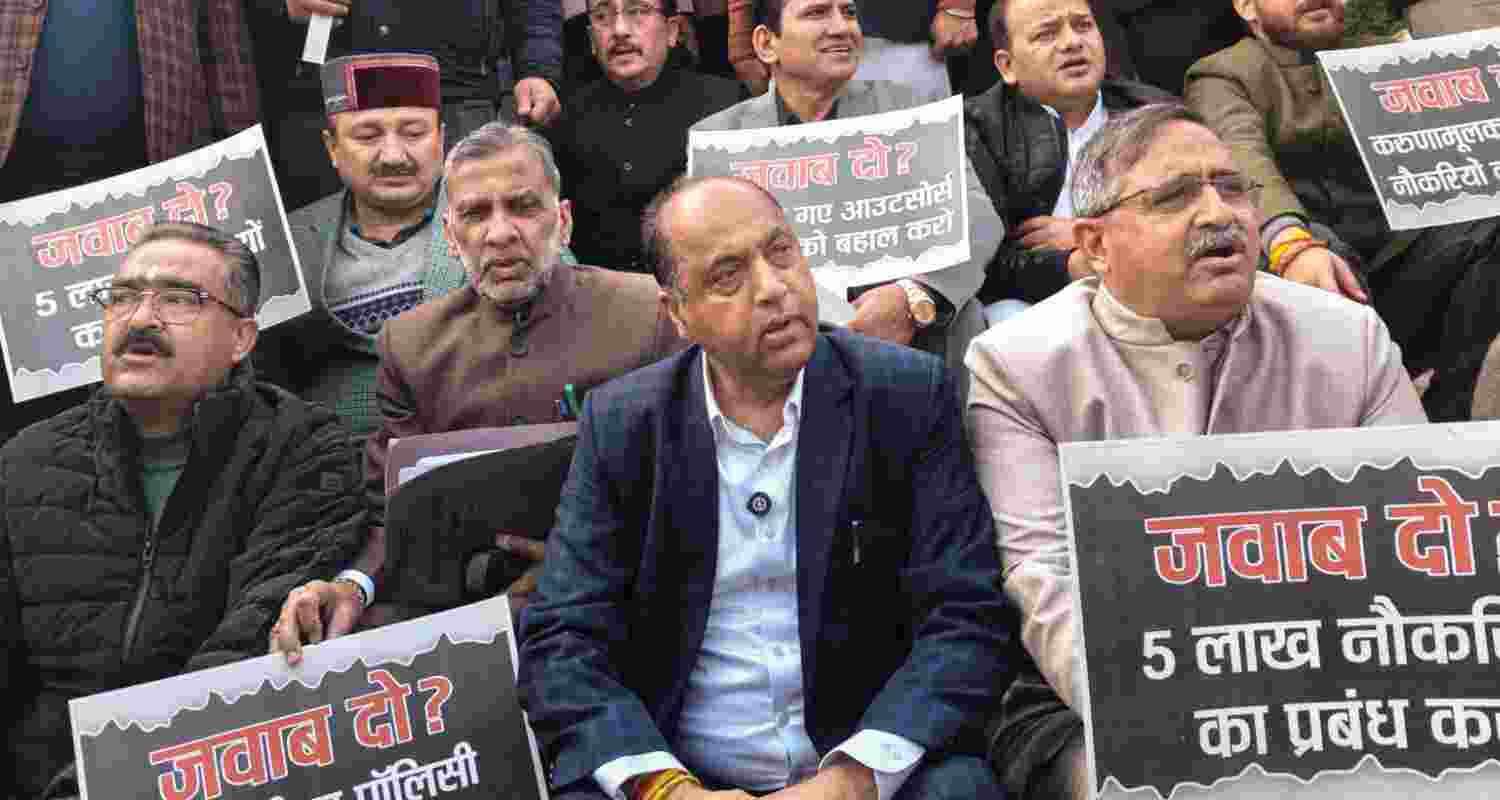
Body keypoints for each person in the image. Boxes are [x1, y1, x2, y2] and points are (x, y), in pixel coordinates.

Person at [964, 103, 1426, 800]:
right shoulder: (1017, 366)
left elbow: (1427, 546)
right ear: (1093, 246)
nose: (1220, 213)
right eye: (1175, 196)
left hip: (1343, 667)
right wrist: (1199, 723)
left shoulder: (1349, 338)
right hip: (1098, 686)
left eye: (1232, 187)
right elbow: (1045, 581)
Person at [519, 175, 1013, 800]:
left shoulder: (907, 395)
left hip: (863, 756)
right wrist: (666, 789)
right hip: (682, 766)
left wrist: (850, 780)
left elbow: (965, 615)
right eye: (729, 275)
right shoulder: (624, 424)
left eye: (781, 252)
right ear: (678, 313)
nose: (775, 288)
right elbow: (564, 637)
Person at [268, 123, 682, 660]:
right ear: (450, 234)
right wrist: (349, 586)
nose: (500, 232)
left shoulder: (647, 311)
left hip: (622, 595)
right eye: (475, 214)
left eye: (523, 207)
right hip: (468, 610)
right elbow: (388, 511)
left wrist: (583, 559)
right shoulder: (412, 345)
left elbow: (688, 480)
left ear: (564, 220)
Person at [0, 222, 367, 800]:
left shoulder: (306, 449)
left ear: (242, 338)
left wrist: (112, 779)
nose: (141, 319)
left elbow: (253, 650)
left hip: (214, 775)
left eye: (178, 299)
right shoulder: (24, 463)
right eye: (122, 297)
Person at [1185, 0, 1500, 419]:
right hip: (1306, 274)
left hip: (1412, 265)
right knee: (1312, 249)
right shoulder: (1223, 74)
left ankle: (1454, 416)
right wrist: (1289, 240)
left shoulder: (1387, 57)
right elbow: (1240, 159)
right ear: (1246, 7)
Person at [695, 0, 1004, 391]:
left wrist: (911, 298)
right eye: (817, 13)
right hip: (771, 331)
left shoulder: (909, 110)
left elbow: (976, 217)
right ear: (766, 43)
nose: (842, 28)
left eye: (850, 13)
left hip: (900, 330)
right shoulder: (721, 140)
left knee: (966, 317)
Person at [0, 0, 261, 445]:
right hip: (17, 193)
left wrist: (240, 176)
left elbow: (229, 69)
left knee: (149, 365)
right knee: (24, 380)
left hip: (154, 187)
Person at [254, 53, 466, 437]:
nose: (393, 156)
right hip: (334, 467)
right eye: (367, 137)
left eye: (414, 133)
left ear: (442, 139)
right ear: (332, 148)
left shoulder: (496, 216)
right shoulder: (292, 242)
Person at [964, 0, 1171, 323]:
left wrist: (1090, 236)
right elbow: (986, 264)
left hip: (1153, 287)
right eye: (1047, 34)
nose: (1072, 42)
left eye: (1083, 25)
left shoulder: (1155, 113)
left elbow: (1185, 212)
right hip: (1038, 308)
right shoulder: (977, 129)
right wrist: (1075, 265)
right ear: (1008, 66)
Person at [246, 0, 563, 208]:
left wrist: (537, 68)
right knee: (329, 278)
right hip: (323, 107)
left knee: (472, 267)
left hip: (457, 100)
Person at [550, 0, 744, 271]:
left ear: (673, 30)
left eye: (637, 11)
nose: (619, 30)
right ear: (591, 39)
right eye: (602, 16)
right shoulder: (564, 118)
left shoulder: (724, 105)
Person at [727, 0, 981, 98]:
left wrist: (959, 5)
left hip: (903, 35)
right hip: (796, 40)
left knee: (921, 176)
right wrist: (740, 35)